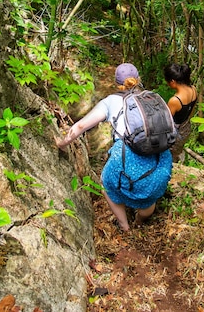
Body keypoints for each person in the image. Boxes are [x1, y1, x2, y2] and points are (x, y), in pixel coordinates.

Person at [56, 63, 173, 232]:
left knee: (105, 182)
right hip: (160, 161)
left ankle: (125, 226)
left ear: (116, 83)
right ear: (138, 79)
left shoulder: (110, 102)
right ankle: (140, 221)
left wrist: (62, 143)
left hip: (128, 160)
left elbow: (81, 127)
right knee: (150, 193)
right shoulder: (151, 98)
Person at [164, 63, 197, 162]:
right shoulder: (193, 90)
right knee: (177, 151)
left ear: (173, 81)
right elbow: (192, 111)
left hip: (176, 134)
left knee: (169, 156)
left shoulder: (175, 100)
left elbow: (167, 122)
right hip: (186, 128)